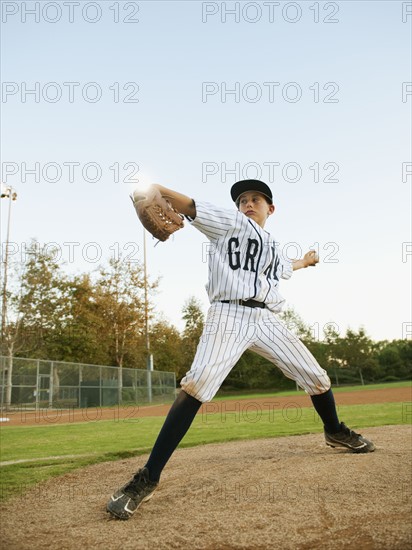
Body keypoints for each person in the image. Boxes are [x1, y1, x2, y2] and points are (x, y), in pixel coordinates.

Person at [107, 179, 375, 520]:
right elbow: (190, 206)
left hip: (267, 318)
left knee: (316, 376)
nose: (248, 203)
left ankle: (335, 430)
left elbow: (281, 268)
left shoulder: (274, 246)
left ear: (270, 209)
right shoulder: (231, 222)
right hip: (228, 314)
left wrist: (305, 262)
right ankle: (148, 477)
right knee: (199, 382)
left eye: (256, 199)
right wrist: (157, 188)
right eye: (243, 199)